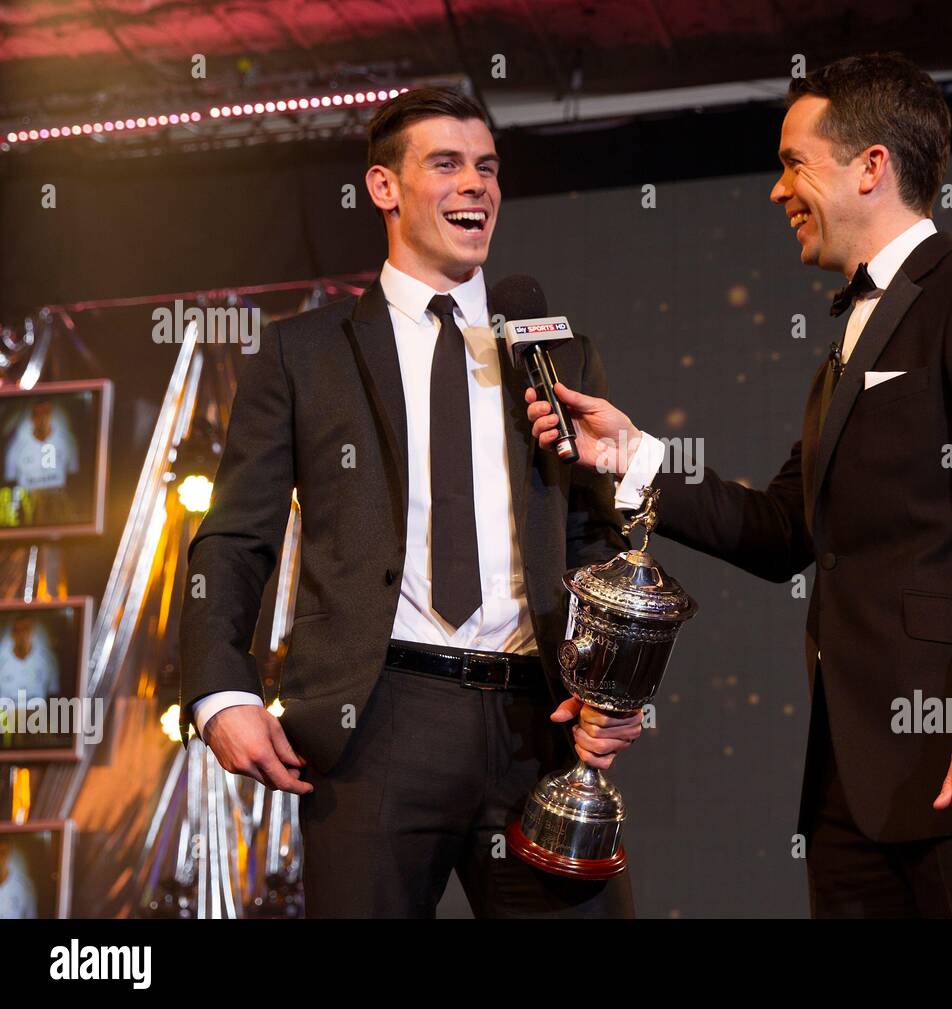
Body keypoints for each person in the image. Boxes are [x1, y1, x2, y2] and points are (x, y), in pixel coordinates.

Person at [528, 52, 952, 918]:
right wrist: (631, 453)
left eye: (793, 162)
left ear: (872, 166)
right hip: (856, 794)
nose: (778, 191)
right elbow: (781, 529)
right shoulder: (849, 345)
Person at [180, 87, 642, 918]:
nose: (478, 185)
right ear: (384, 188)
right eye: (448, 164)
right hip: (376, 722)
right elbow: (234, 539)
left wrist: (612, 684)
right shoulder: (303, 353)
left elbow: (592, 537)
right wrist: (222, 692)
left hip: (537, 723)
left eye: (489, 167)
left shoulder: (551, 346)